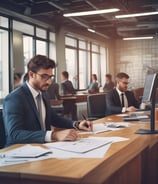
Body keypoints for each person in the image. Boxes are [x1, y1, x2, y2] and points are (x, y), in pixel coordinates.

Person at [3, 55, 92, 147]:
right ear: (31, 74)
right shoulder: (15, 98)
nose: (49, 82)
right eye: (44, 76)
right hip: (18, 151)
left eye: (50, 77)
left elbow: (53, 118)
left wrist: (77, 124)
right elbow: (15, 134)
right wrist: (53, 135)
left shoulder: (44, 94)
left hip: (42, 148)